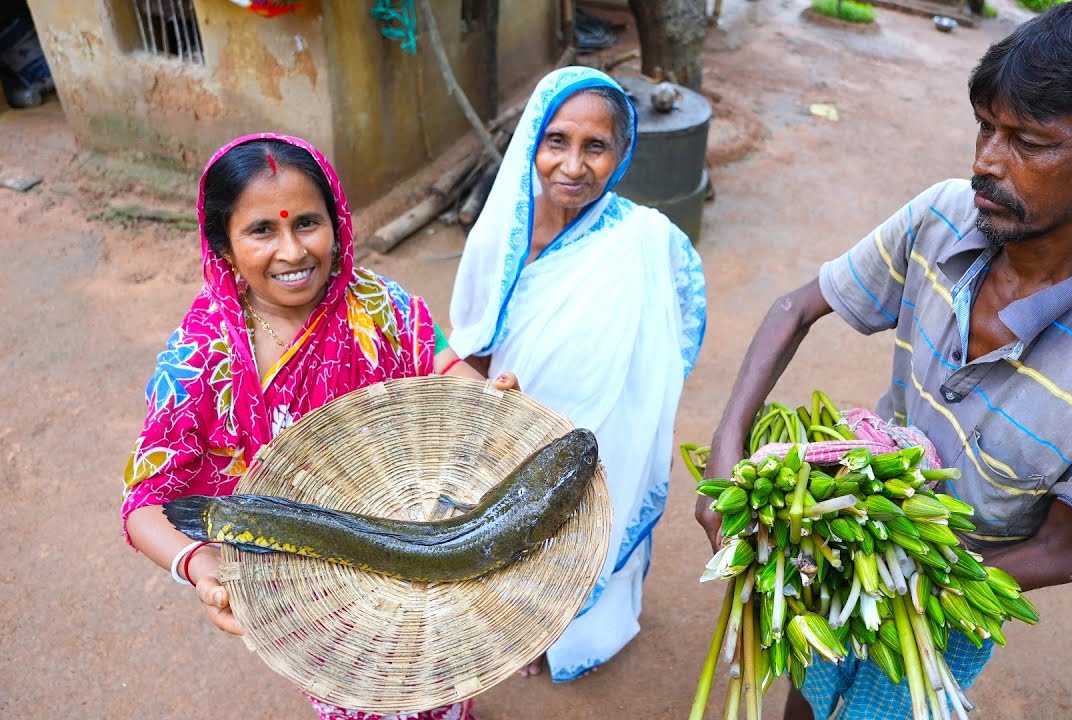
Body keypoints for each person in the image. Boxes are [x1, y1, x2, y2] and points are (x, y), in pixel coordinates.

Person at [696, 3, 1072, 718]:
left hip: (956, 586)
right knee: (805, 693)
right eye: (986, 127)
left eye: (1028, 141)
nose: (986, 163)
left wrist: (900, 578)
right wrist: (726, 456)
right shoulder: (942, 219)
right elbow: (795, 308)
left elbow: (1064, 551)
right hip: (855, 526)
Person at [121, 133, 517, 720]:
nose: (292, 251)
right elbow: (144, 503)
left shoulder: (377, 307)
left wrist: (483, 396)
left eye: (308, 222)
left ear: (337, 221)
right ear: (222, 244)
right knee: (357, 697)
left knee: (436, 677)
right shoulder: (202, 355)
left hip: (410, 543)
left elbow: (438, 362)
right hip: (303, 587)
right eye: (262, 230)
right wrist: (203, 569)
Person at [448, 66, 707, 682]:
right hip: (517, 422)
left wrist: (635, 395)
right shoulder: (500, 234)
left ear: (621, 153)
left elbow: (677, 322)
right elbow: (472, 341)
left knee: (594, 524)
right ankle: (524, 628)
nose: (573, 164)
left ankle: (577, 631)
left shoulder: (644, 239)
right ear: (532, 140)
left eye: (596, 147)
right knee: (516, 529)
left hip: (606, 427)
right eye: (557, 141)